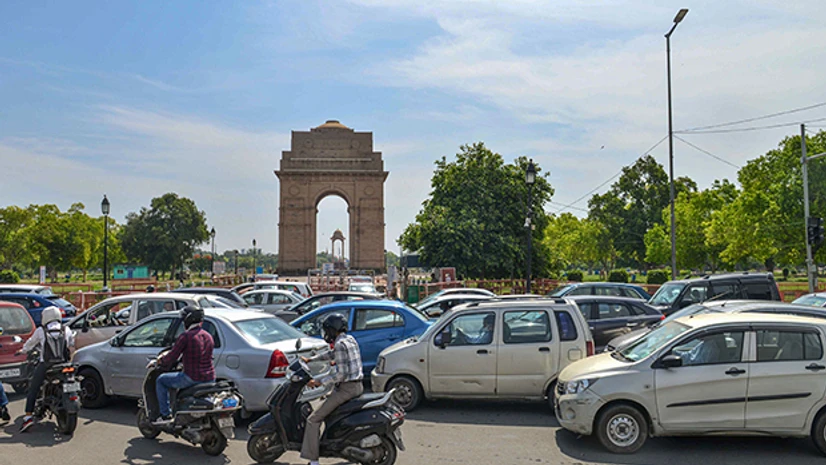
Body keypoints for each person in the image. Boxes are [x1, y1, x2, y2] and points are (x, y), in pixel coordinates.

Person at [300, 313, 363, 465]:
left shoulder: (340, 345)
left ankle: (313, 461)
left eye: (328, 330)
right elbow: (331, 354)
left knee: (313, 419)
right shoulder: (349, 339)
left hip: (346, 389)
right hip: (357, 386)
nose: (327, 334)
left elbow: (341, 375)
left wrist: (319, 382)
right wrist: (311, 359)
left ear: (333, 330)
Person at [153, 306, 215, 424]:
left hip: (191, 378)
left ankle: (165, 415)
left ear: (188, 320)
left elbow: (172, 356)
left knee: (161, 380)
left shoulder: (186, 336)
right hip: (210, 378)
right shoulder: (208, 336)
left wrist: (160, 362)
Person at [17, 306, 74, 432]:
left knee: (33, 388)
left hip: (46, 365)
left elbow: (31, 343)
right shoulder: (66, 329)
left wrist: (23, 350)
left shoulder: (41, 331)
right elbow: (71, 345)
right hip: (64, 364)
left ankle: (28, 417)